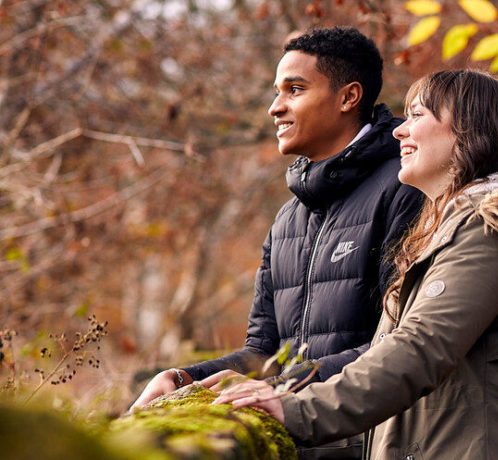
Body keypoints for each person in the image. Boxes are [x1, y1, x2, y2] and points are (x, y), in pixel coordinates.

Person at [214, 69, 498, 459]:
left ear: (468, 131)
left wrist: (294, 409)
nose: (400, 130)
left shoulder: (488, 230)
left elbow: (419, 351)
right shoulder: (450, 229)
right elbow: (413, 402)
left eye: (417, 115)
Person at [130, 27, 423, 458]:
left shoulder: (405, 190)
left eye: (295, 89)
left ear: (348, 97)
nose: (274, 108)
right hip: (293, 444)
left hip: (377, 443)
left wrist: (277, 389)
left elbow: (400, 342)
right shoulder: (289, 218)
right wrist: (184, 379)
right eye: (276, 92)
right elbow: (265, 352)